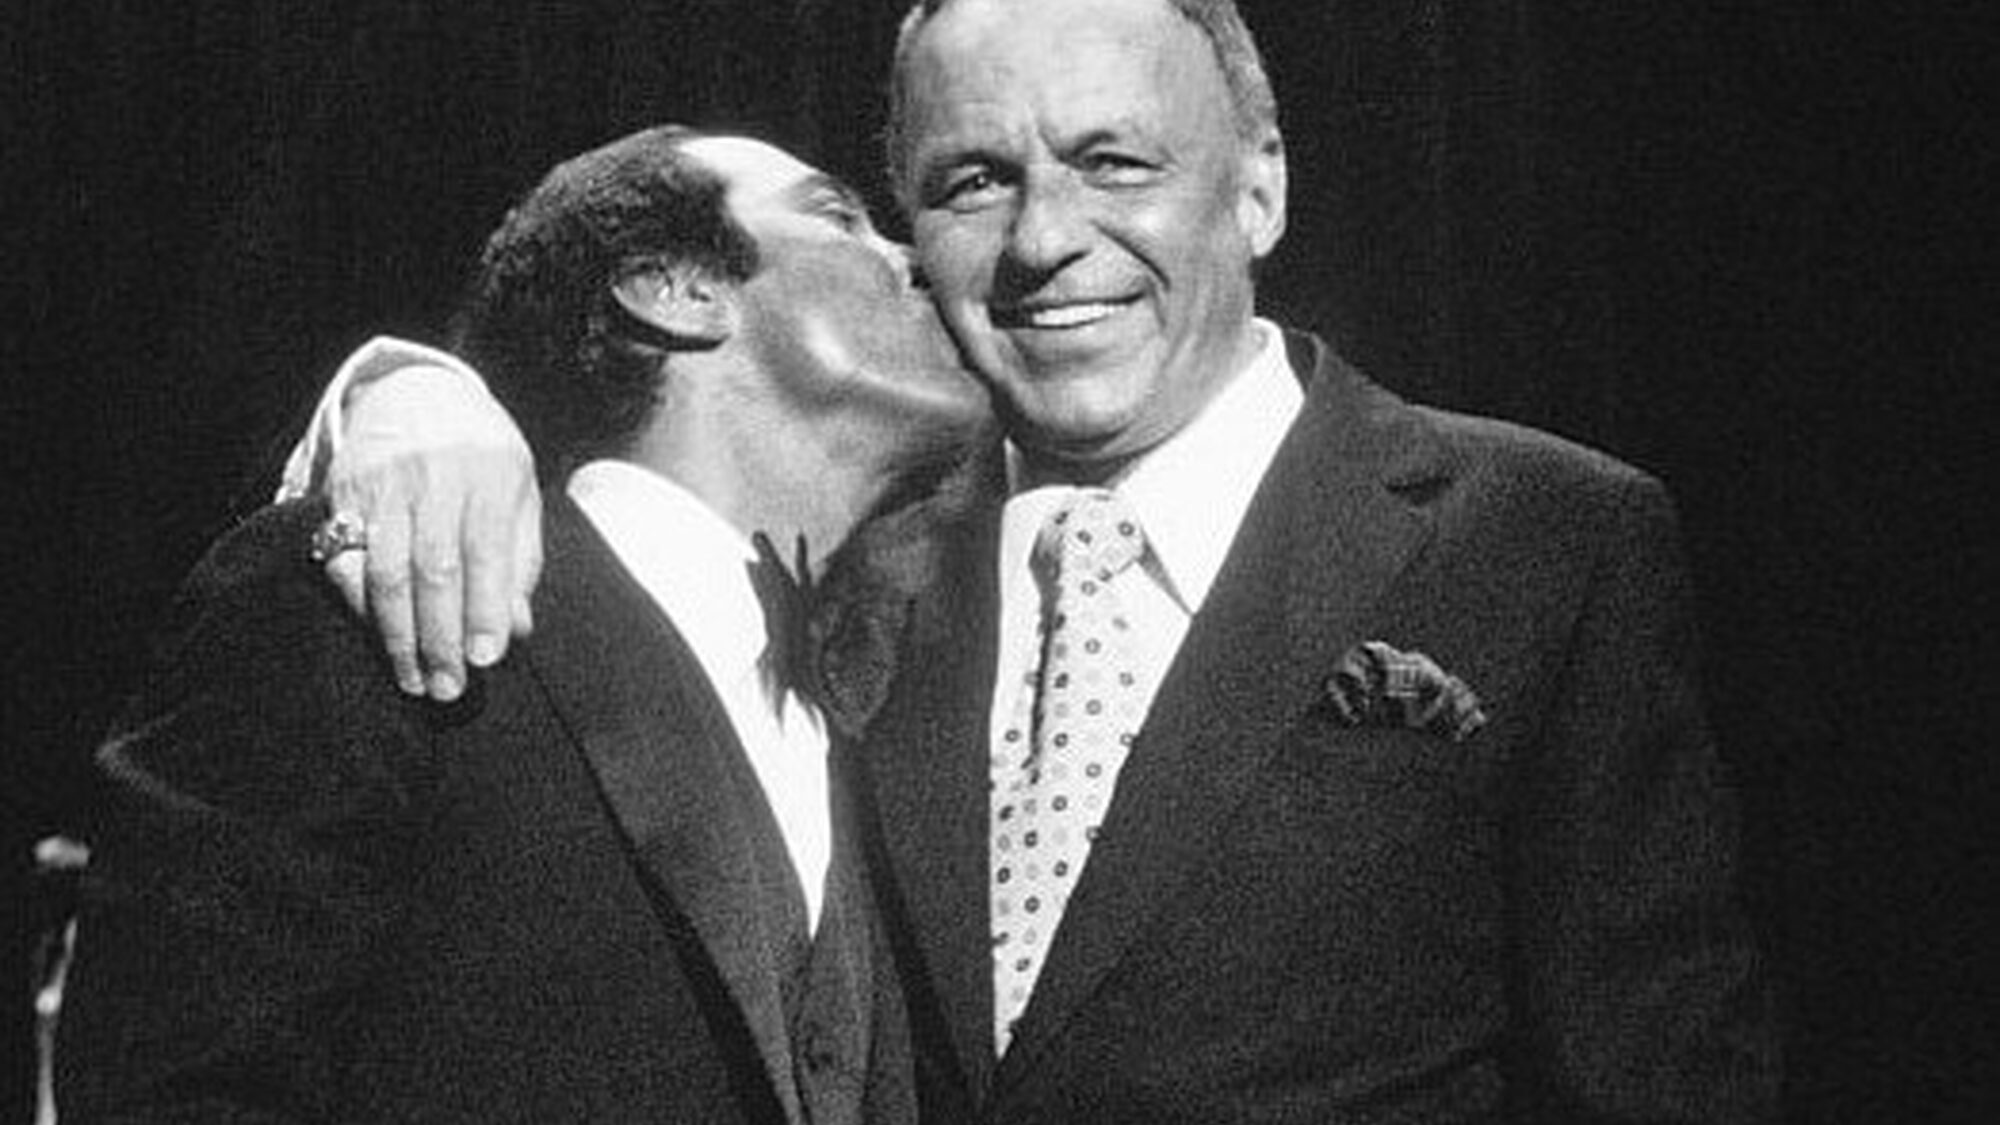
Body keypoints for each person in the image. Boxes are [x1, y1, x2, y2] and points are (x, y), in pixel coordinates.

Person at [282, 0, 1781, 1120]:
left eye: (1114, 162)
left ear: (1258, 183)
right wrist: (405, 391)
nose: (1043, 239)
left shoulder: (1538, 538)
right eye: (972, 182)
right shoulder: (844, 552)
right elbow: (624, 482)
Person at [55, 124, 992, 1124]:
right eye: (838, 216)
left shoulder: (887, 736)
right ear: (673, 290)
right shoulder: (371, 589)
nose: (911, 256)